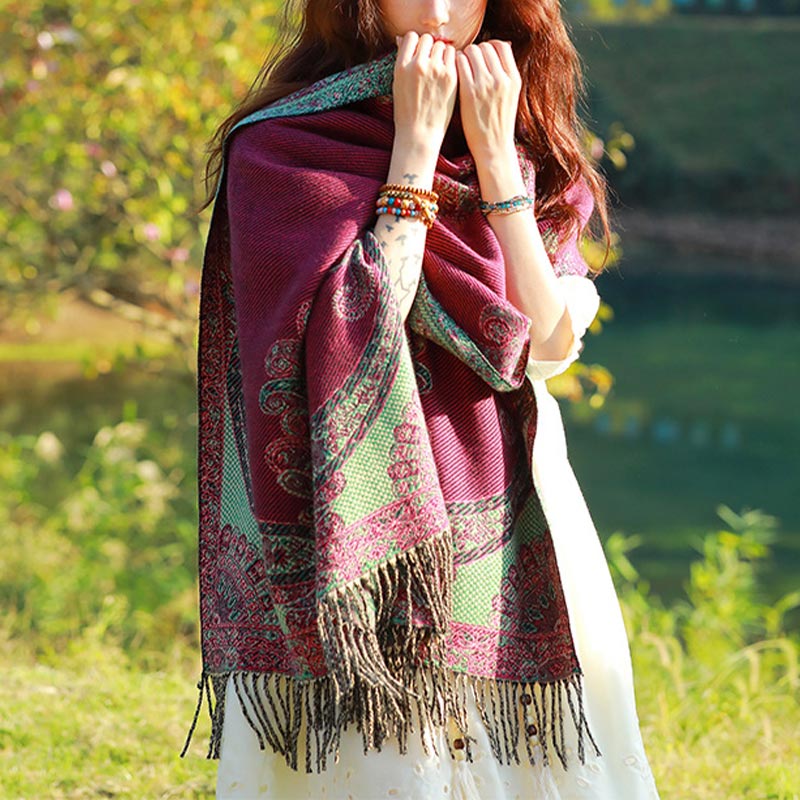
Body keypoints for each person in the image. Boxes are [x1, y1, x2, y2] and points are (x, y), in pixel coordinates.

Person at [183, 1, 661, 798]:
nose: (439, 14)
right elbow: (352, 326)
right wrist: (412, 152)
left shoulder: (520, 140)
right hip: (353, 527)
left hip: (512, 509)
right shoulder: (284, 147)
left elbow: (546, 344)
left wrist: (496, 163)